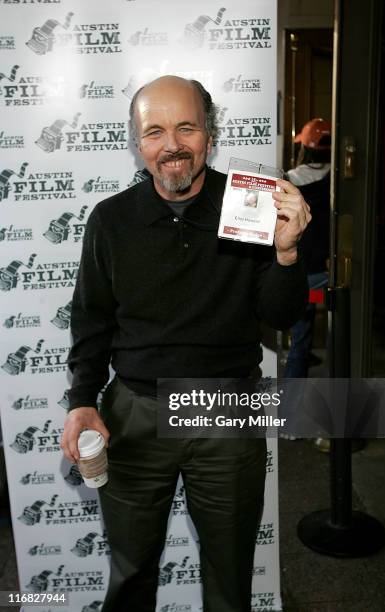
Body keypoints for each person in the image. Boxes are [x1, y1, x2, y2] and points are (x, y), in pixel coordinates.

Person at [61, 75, 311, 612]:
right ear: (138, 143)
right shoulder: (112, 220)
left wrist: (287, 254)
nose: (170, 144)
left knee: (229, 577)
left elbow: (280, 315)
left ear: (209, 135)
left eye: (186, 127)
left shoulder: (250, 205)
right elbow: (92, 319)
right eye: (154, 131)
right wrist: (82, 399)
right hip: (134, 415)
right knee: (129, 576)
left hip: (225, 408)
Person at [283, 118, 331, 379]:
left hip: (301, 271)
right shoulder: (340, 178)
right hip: (326, 272)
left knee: (300, 332)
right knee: (324, 322)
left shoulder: (291, 178)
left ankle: (292, 400)